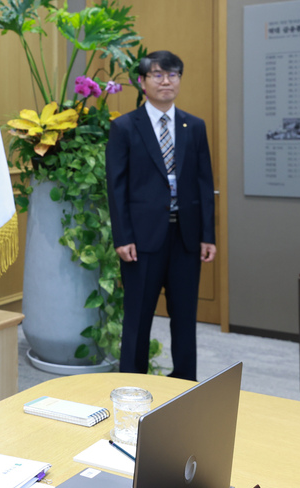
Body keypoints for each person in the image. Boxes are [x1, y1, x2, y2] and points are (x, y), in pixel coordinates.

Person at [106, 50, 216, 381]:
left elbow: (203, 183)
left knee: (185, 316)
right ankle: (132, 383)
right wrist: (123, 237)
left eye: (173, 75)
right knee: (138, 316)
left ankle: (184, 381)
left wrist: (207, 234)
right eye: (158, 75)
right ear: (142, 82)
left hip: (185, 237)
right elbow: (117, 186)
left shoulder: (194, 126)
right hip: (141, 239)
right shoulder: (125, 127)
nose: (166, 81)